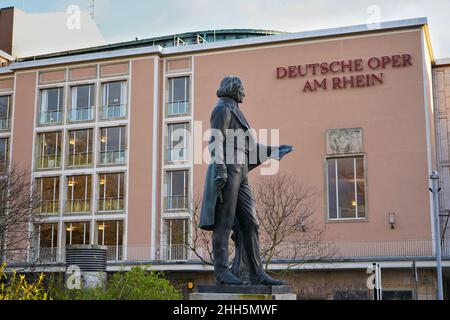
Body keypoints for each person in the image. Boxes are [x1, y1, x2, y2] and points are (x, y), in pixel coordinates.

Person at [199, 75, 293, 285]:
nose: (245, 92)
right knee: (223, 222)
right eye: (242, 88)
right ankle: (221, 272)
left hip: (241, 173)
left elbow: (252, 148)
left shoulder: (237, 112)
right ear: (233, 89)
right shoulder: (222, 109)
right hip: (228, 170)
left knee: (251, 222)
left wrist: (274, 150)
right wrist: (221, 170)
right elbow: (216, 140)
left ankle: (256, 272)